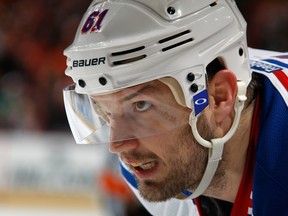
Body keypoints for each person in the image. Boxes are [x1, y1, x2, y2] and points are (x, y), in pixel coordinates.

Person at [62, 0, 288, 215]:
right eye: (106, 111)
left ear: (220, 98)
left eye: (141, 105)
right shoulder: (153, 171)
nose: (117, 145)